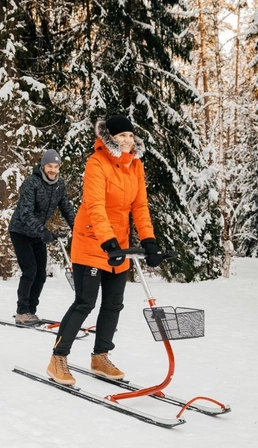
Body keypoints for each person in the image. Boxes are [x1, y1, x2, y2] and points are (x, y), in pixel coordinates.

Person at [46, 114, 164, 386]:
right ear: (109, 138)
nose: (127, 140)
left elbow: (140, 207)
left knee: (113, 304)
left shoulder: (136, 166)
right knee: (85, 303)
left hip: (117, 246)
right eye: (121, 136)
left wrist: (149, 240)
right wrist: (107, 241)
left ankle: (101, 356)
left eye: (130, 136)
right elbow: (95, 205)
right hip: (92, 242)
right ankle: (58, 358)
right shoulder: (96, 163)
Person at [8, 149, 75, 325]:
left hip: (37, 233)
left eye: (56, 166)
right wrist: (42, 231)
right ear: (43, 166)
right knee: (30, 271)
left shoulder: (59, 185)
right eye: (49, 166)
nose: (52, 170)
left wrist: (77, 227)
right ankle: (22, 312)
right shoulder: (31, 183)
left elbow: (66, 207)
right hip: (20, 231)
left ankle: (31, 311)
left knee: (41, 275)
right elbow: (25, 213)